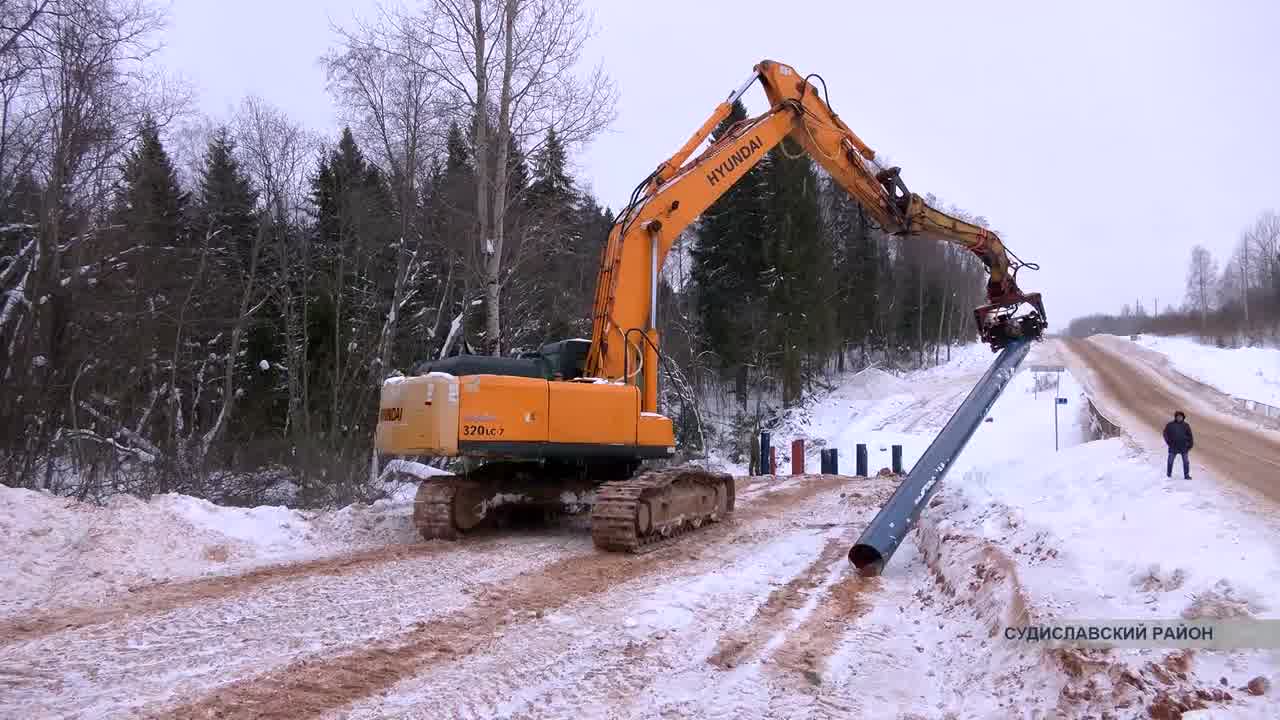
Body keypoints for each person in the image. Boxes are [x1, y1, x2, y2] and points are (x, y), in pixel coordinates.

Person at [1162, 411, 1193, 479]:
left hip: (1183, 447)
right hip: (1173, 447)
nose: (1179, 418)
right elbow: (1165, 434)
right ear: (1175, 417)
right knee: (1170, 461)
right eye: (1178, 416)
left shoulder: (1186, 425)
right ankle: (1168, 474)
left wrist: (1190, 445)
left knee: (1186, 462)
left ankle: (1186, 475)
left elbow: (1190, 436)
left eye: (1181, 417)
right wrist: (1169, 442)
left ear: (1183, 417)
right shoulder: (1170, 425)